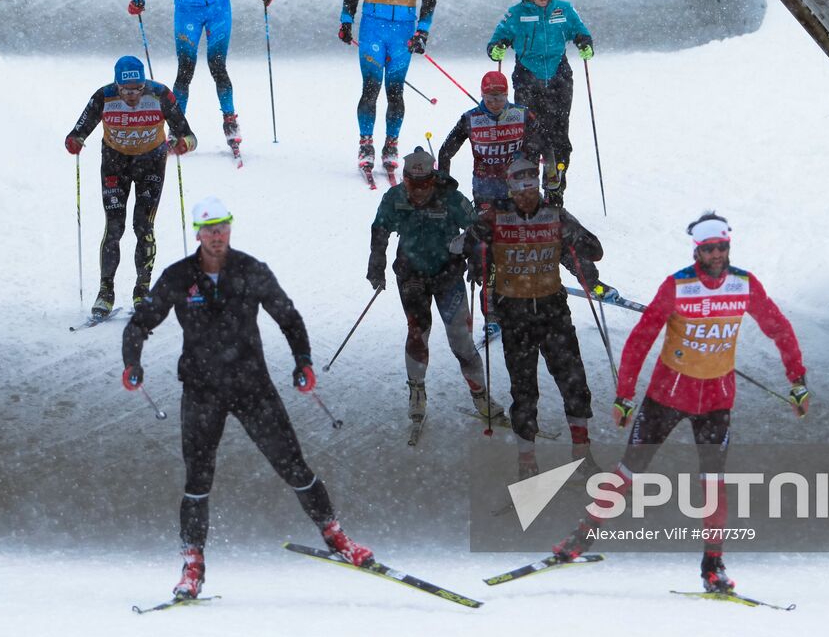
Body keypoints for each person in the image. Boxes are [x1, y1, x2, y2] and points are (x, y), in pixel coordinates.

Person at [121, 196, 373, 599]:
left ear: (230, 229)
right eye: (209, 229)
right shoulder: (179, 276)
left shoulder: (250, 271)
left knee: (293, 465)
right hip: (202, 391)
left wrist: (303, 362)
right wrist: (132, 362)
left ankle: (336, 536)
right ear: (198, 234)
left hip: (252, 386)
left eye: (222, 228)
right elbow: (140, 322)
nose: (217, 236)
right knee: (197, 480)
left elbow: (288, 316)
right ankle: (192, 566)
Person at [551, 212, 809, 595]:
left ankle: (713, 565)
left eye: (722, 247)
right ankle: (581, 537)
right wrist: (624, 395)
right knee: (628, 471)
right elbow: (640, 339)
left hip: (717, 400)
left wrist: (797, 379)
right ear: (697, 250)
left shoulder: (743, 284)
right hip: (666, 396)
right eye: (709, 248)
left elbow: (778, 327)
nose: (717, 254)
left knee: (714, 480)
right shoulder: (678, 286)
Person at [466, 157, 610, 467]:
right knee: (524, 391)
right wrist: (478, 258)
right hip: (514, 313)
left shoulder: (554, 214)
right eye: (521, 191)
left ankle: (582, 456)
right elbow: (470, 246)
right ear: (510, 190)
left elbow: (593, 250)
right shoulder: (495, 217)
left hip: (552, 309)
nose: (527, 197)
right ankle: (527, 462)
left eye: (532, 190)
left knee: (573, 382)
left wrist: (575, 240)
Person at [368, 148, 504, 430]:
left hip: (447, 276)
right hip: (411, 276)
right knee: (417, 332)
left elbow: (479, 230)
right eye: (411, 185)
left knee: (461, 340)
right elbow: (380, 229)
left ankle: (479, 394)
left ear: (433, 179)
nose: (417, 192)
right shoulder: (395, 197)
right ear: (404, 179)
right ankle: (416, 391)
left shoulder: (451, 198)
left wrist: (477, 259)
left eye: (423, 185)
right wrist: (376, 262)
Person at [127, 0, 273, 155]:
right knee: (185, 71)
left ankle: (230, 123)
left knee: (217, 66)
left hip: (218, 7)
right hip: (187, 12)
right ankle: (176, 130)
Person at [65, 55, 196, 318]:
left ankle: (142, 290)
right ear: (117, 85)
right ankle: (105, 291)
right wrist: (74, 141)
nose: (132, 96)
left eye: (137, 89)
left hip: (151, 164)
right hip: (115, 164)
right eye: (126, 90)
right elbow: (77, 131)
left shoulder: (160, 95)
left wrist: (184, 144)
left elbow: (189, 135)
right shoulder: (104, 96)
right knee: (114, 227)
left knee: (143, 226)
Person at [338, 0, 438, 176]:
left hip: (403, 29)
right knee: (370, 88)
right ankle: (366, 144)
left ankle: (391, 144)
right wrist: (346, 20)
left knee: (395, 91)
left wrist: (423, 31)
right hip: (372, 26)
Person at [485, 0, 594, 204]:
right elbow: (496, 40)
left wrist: (585, 43)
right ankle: (528, 191)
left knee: (559, 135)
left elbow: (581, 31)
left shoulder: (564, 9)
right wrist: (497, 48)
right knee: (530, 136)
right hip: (527, 76)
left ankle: (556, 189)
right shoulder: (517, 13)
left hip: (558, 76)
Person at [436, 70, 543, 216]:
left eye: (499, 99)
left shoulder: (522, 114)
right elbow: (445, 152)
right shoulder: (470, 118)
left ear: (506, 95)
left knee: (521, 230)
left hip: (518, 185)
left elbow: (542, 144)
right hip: (485, 187)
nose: (494, 104)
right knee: (488, 233)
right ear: (482, 96)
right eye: (489, 99)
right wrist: (444, 186)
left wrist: (541, 175)